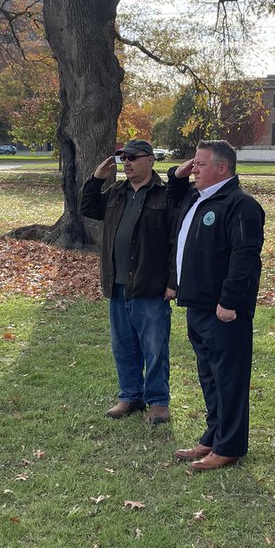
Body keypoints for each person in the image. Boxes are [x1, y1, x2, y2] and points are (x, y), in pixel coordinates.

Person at [166, 140, 265, 472]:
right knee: (209, 376)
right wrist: (178, 175)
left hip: (223, 310)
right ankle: (213, 436)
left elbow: (245, 258)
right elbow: (171, 202)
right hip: (196, 304)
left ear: (223, 168)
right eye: (193, 164)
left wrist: (229, 301)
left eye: (201, 165)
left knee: (229, 378)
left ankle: (230, 446)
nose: (194, 170)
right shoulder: (198, 199)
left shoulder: (240, 205)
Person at [80, 138, 173, 424]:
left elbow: (174, 242)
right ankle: (130, 396)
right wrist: (96, 178)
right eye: (124, 158)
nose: (127, 163)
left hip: (150, 284)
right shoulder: (117, 192)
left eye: (133, 157)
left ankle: (158, 402)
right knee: (123, 345)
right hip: (118, 284)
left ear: (150, 160)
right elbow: (86, 206)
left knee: (155, 347)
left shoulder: (165, 195)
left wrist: (173, 282)